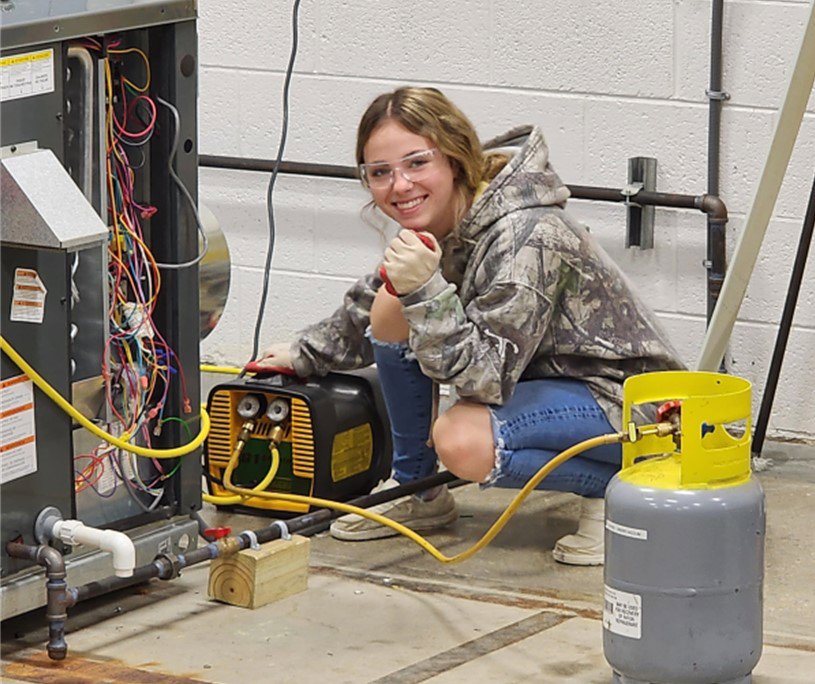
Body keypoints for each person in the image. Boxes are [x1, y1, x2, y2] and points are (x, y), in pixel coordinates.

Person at [258, 86, 684, 565]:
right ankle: (419, 491)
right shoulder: (447, 218)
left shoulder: (527, 236)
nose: (400, 185)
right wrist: (304, 353)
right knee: (392, 305)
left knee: (463, 441)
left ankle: (618, 492)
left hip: (632, 404)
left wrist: (427, 293)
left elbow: (483, 379)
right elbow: (373, 307)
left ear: (455, 157)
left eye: (417, 163)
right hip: (554, 385)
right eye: (380, 172)